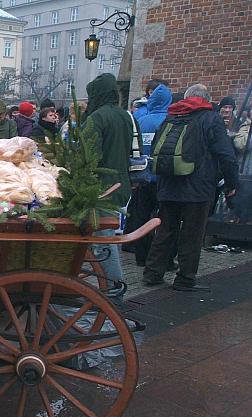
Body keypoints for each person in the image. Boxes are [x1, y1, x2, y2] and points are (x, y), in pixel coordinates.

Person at [143, 84, 238, 291]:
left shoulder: (171, 116)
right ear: (207, 99)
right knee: (192, 234)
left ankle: (152, 273)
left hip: (168, 185)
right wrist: (232, 184)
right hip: (198, 187)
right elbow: (226, 155)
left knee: (165, 230)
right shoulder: (210, 119)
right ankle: (185, 279)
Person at [84, 73, 134, 305]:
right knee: (109, 237)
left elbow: (87, 156)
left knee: (103, 241)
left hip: (101, 190)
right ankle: (114, 286)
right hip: (121, 185)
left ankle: (114, 290)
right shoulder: (125, 115)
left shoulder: (97, 118)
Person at [125, 82, 173, 266]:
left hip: (142, 176)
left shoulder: (141, 118)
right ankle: (161, 259)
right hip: (161, 177)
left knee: (141, 217)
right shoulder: (169, 120)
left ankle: (140, 255)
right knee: (163, 220)